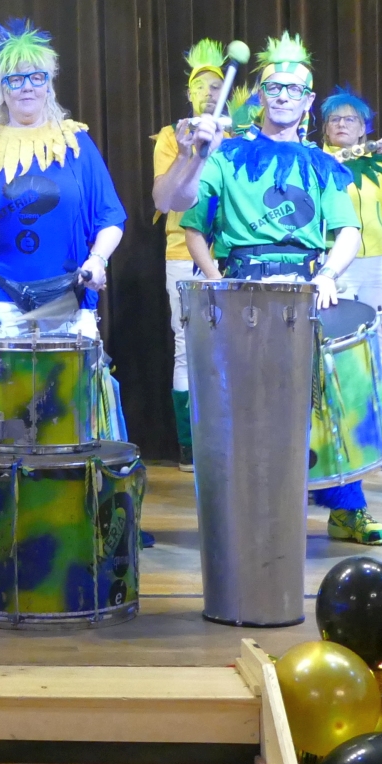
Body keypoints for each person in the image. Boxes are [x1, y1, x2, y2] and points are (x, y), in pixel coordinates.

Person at [159, 33, 382, 546]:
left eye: (294, 89)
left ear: (309, 100)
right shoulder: (225, 156)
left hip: (307, 288)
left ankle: (345, 507)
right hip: (244, 285)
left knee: (325, 398)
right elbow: (194, 225)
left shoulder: (324, 165)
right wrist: (217, 283)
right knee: (245, 403)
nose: (284, 96)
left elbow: (349, 232)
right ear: (259, 96)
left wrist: (327, 276)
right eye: (274, 87)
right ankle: (245, 507)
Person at [0, 21, 126, 339]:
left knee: (71, 390)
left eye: (36, 77)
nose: (27, 87)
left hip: (68, 303)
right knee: (5, 390)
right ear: (3, 90)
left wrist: (98, 260)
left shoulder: (76, 143)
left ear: (48, 85)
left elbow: (110, 217)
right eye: (16, 80)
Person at [318, 86, 382, 476]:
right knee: (333, 356)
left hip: (378, 263)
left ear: (364, 128)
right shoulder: (315, 161)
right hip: (331, 267)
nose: (341, 124)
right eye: (334, 119)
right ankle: (339, 444)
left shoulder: (377, 166)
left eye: (350, 119)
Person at [149, 41, 227, 469]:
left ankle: (226, 435)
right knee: (187, 344)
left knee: (231, 345)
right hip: (182, 251)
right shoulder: (171, 136)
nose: (210, 93)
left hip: (230, 255)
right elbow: (166, 197)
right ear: (189, 94)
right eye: (202, 87)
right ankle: (189, 444)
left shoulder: (237, 139)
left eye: (217, 86)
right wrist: (190, 151)